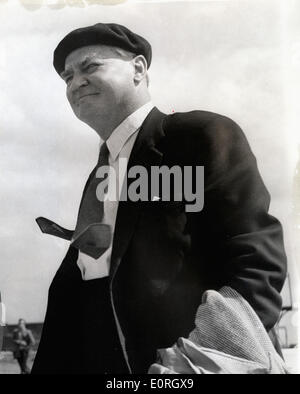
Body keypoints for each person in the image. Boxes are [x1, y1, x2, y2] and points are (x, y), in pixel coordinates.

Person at [32, 23, 287, 374]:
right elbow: (88, 285)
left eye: (90, 67)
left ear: (138, 69)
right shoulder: (99, 177)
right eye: (67, 77)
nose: (75, 83)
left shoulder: (197, 136)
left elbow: (255, 261)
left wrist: (195, 365)